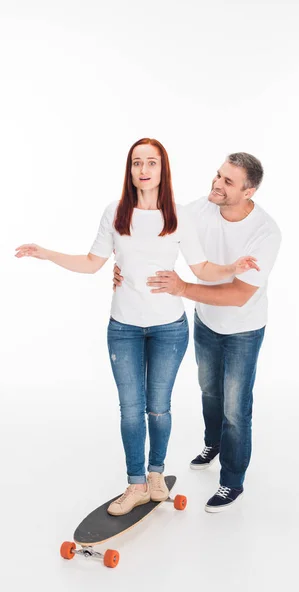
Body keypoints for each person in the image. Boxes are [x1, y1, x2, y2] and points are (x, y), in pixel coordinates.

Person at [15, 139, 259, 516]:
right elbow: (92, 262)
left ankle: (156, 475)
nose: (143, 170)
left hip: (169, 329)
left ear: (163, 170)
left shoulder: (179, 216)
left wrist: (232, 269)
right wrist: (47, 254)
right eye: (136, 163)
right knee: (131, 410)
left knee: (158, 408)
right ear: (129, 171)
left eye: (152, 163)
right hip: (123, 329)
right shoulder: (115, 213)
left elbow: (201, 269)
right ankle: (135, 484)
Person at [114, 151, 281, 512]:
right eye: (218, 175)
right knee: (209, 390)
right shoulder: (199, 209)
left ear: (248, 192)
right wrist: (121, 266)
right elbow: (155, 229)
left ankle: (231, 481)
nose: (217, 185)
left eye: (228, 182)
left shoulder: (266, 233)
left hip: (244, 329)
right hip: (206, 321)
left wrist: (183, 289)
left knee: (236, 408)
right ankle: (213, 443)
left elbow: (239, 294)